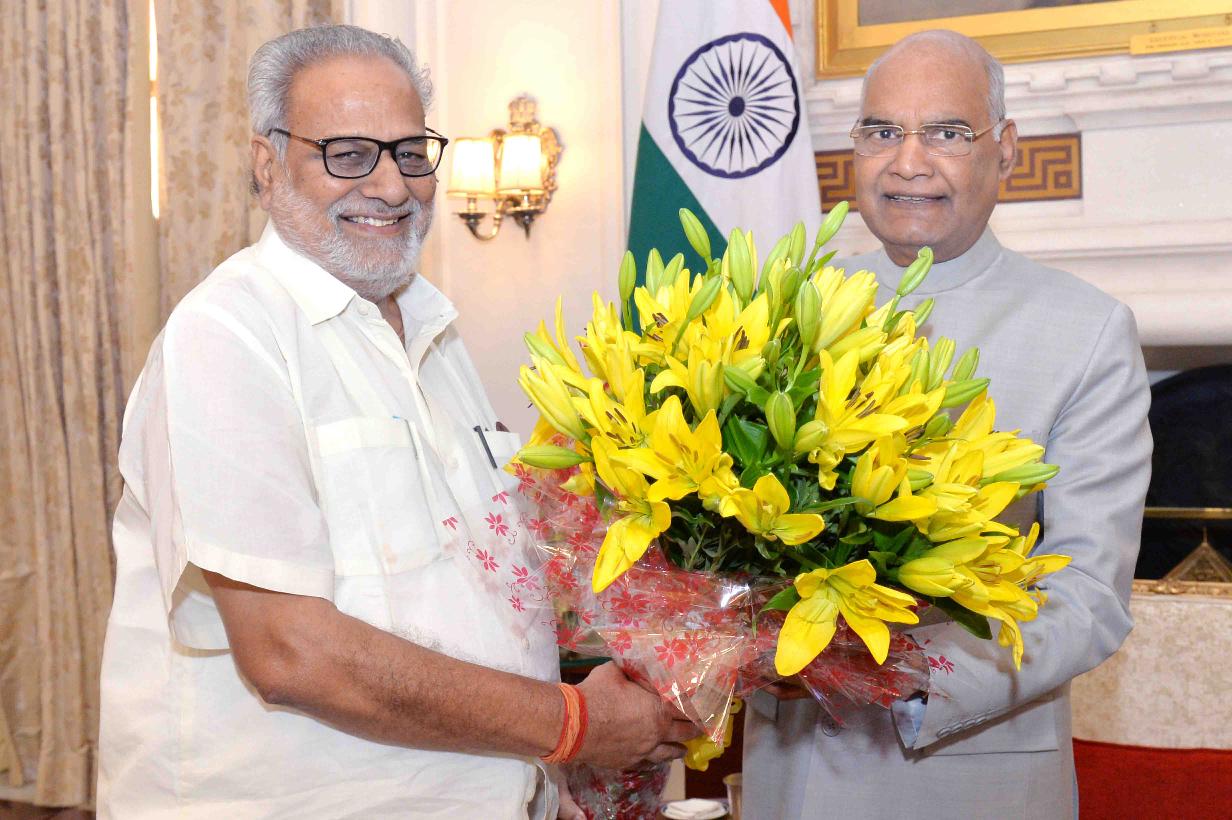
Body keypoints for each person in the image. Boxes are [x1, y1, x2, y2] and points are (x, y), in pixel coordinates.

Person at [97, 24, 695, 819]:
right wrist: (574, 725)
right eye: (348, 154)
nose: (390, 186)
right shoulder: (228, 338)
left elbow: (483, 588)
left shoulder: (433, 333)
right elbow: (289, 652)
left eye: (411, 153)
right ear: (266, 164)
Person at [743, 30, 1152, 820]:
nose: (908, 162)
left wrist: (889, 670)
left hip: (968, 775)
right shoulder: (785, 306)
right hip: (789, 772)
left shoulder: (1084, 330)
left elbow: (1088, 596)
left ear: (1006, 151)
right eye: (882, 131)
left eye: (947, 133)